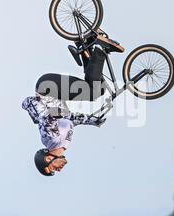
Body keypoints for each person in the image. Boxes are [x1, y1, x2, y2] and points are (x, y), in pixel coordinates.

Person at [22, 44, 109, 176]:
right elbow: (71, 119)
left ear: (48, 159)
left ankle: (101, 49)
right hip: (53, 91)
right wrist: (93, 121)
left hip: (47, 88)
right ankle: (86, 47)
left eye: (53, 169)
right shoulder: (64, 143)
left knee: (93, 92)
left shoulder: (50, 139)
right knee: (97, 89)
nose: (59, 170)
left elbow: (48, 118)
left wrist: (58, 114)